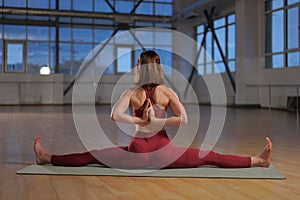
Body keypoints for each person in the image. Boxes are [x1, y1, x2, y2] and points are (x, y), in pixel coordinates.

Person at [33, 50, 272, 169]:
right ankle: (257, 160)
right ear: (158, 68)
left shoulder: (132, 93)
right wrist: (159, 124)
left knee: (93, 155)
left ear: (139, 66)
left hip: (135, 154)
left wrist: (140, 123)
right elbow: (184, 119)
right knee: (211, 156)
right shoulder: (167, 93)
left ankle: (47, 157)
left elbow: (114, 115)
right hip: (165, 154)